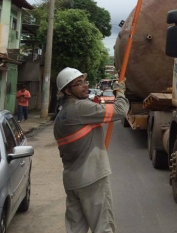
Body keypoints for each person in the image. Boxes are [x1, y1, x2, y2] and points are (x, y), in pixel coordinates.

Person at [54, 67, 128, 233]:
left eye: (84, 81)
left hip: (73, 180)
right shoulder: (80, 108)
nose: (85, 86)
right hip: (91, 178)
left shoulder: (61, 116)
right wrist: (120, 92)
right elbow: (120, 111)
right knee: (103, 227)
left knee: (76, 228)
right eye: (78, 83)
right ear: (67, 91)